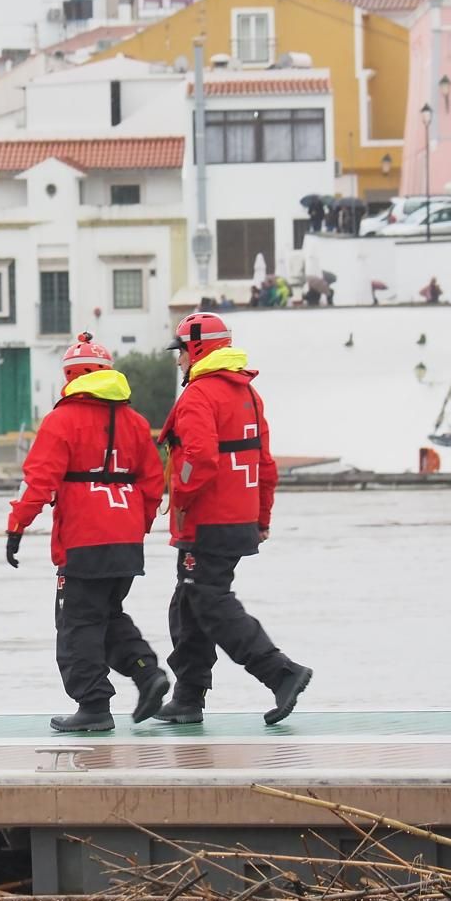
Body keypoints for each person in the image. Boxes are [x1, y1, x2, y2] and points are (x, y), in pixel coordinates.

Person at [151, 312, 313, 728]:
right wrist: (261, 517)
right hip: (238, 519)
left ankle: (280, 672)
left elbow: (199, 461)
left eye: (182, 352)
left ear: (198, 349)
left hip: (208, 521)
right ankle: (188, 696)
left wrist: (179, 498)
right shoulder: (248, 395)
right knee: (187, 604)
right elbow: (265, 465)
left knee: (208, 601)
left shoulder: (198, 396)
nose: (178, 361)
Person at [5, 332, 168, 734]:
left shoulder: (61, 421)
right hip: (125, 542)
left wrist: (16, 527)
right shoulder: (135, 422)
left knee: (77, 625)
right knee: (106, 615)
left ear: (71, 377)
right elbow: (153, 484)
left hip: (84, 539)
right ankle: (147, 674)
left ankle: (93, 704)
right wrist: (137, 527)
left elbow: (37, 482)